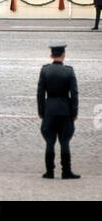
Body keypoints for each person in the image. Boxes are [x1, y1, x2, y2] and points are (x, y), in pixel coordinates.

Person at [37, 43, 80, 179]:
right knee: (65, 142)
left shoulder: (45, 70)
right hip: (65, 110)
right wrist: (74, 112)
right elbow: (74, 94)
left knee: (50, 142)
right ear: (63, 55)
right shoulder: (69, 71)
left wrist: (41, 111)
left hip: (49, 109)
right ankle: (66, 171)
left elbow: (40, 93)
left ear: (51, 55)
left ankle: (49, 171)